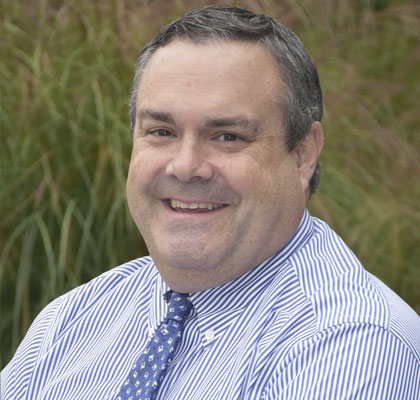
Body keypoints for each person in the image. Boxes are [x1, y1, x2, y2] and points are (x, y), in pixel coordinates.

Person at [2, 5, 420, 399]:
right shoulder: (73, 320)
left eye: (227, 137)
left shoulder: (352, 345)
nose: (185, 167)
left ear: (304, 155)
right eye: (161, 131)